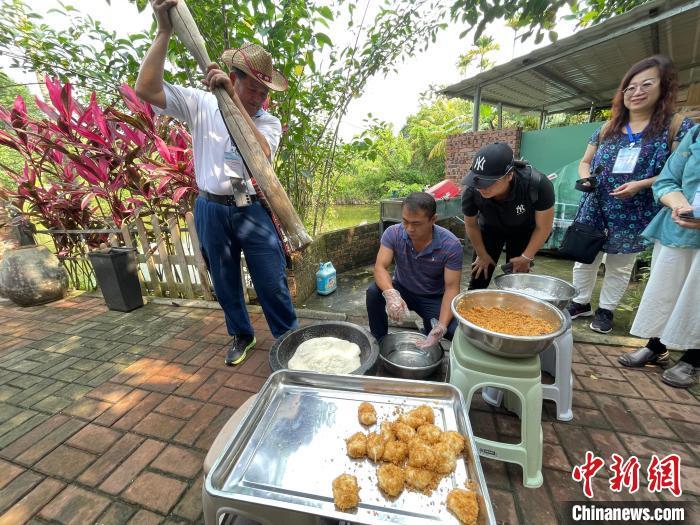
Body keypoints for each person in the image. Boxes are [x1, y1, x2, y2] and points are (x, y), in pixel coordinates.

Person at [135, 0, 297, 366]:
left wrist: (236, 102)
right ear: (233, 78)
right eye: (252, 89)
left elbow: (260, 154)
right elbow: (145, 88)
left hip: (251, 209)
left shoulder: (268, 122)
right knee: (224, 281)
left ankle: (288, 339)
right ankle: (242, 334)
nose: (259, 98)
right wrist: (164, 31)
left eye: (263, 92)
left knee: (271, 279)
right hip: (210, 207)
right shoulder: (201, 104)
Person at [567, 55, 694, 334]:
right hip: (596, 205)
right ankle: (580, 301)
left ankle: (606, 310)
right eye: (630, 87)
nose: (637, 92)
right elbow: (585, 161)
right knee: (584, 257)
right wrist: (585, 177)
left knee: (620, 264)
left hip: (635, 209)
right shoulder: (607, 128)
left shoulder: (676, 128)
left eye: (647, 84)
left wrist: (641, 184)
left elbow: (679, 173)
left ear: (664, 88)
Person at [618, 125, 700, 388]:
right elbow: (667, 179)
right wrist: (679, 204)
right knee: (664, 291)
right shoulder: (696, 134)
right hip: (678, 228)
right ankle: (656, 345)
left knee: (697, 298)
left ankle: (693, 358)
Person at [366, 192, 463, 348]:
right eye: (405, 221)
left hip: (432, 297)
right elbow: (380, 267)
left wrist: (442, 326)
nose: (409, 229)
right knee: (374, 292)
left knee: (455, 331)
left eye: (416, 224)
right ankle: (379, 340)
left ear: (433, 219)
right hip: (402, 288)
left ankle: (430, 327)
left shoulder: (451, 245)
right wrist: (391, 294)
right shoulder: (393, 233)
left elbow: (452, 288)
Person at [461, 142, 555, 289]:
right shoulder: (471, 191)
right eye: (478, 181)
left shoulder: (538, 184)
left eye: (488, 182)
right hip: (490, 230)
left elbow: (543, 227)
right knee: (479, 276)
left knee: (517, 282)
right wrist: (481, 254)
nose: (482, 188)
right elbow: (471, 224)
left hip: (523, 232)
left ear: (509, 175)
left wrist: (527, 256)